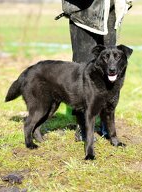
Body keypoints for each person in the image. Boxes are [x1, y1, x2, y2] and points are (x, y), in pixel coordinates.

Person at [56, 0, 132, 141]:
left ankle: (106, 124)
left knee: (110, 65)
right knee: (83, 67)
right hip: (84, 11)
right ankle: (82, 125)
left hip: (110, 9)